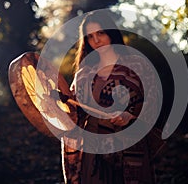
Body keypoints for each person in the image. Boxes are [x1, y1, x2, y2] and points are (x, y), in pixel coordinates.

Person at [60, 11, 161, 184]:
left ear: (111, 32)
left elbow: (154, 99)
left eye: (101, 33)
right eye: (90, 37)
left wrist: (131, 115)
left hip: (130, 147)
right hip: (93, 151)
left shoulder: (137, 65)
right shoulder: (84, 74)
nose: (96, 41)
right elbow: (73, 112)